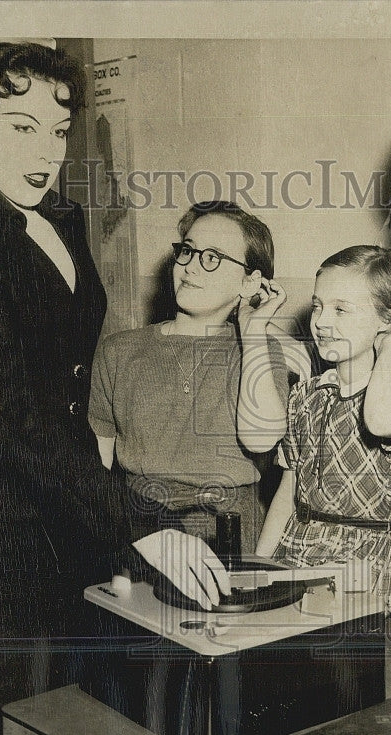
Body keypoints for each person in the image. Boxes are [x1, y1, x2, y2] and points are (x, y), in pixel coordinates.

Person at [0, 42, 227, 735]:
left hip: (61, 494)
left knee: (72, 699)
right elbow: (11, 420)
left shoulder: (57, 216)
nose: (46, 150)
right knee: (10, 704)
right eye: (20, 127)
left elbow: (64, 372)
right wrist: (142, 522)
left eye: (58, 130)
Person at [88, 201, 289, 558]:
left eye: (212, 257)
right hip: (140, 527)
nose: (191, 266)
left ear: (249, 282)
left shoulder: (260, 351)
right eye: (187, 251)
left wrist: (254, 331)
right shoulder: (118, 351)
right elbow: (96, 470)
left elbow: (261, 440)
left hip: (229, 532)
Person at [254, 246, 391, 613]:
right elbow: (289, 492)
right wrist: (260, 567)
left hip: (358, 567)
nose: (320, 321)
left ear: (387, 319)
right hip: (294, 550)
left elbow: (383, 421)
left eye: (340, 309)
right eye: (317, 305)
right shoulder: (305, 395)